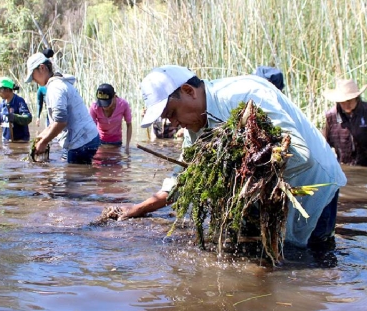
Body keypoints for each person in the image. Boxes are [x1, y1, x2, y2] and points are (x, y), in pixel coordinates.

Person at [119, 65, 347, 248]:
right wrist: (139, 209)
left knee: (311, 264)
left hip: (315, 185)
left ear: (189, 91)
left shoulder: (246, 95)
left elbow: (298, 154)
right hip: (270, 199)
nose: (174, 124)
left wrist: (230, 176)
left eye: (172, 114)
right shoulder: (196, 129)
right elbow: (183, 178)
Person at [25, 50, 100, 164]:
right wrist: (40, 137)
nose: (33, 80)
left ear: (42, 68)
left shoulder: (55, 88)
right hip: (88, 138)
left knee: (73, 179)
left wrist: (44, 142)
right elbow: (55, 122)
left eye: (33, 75)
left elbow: (61, 121)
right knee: (81, 174)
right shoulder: (57, 84)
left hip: (81, 142)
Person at [89, 83, 132, 149]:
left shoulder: (123, 105)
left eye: (106, 103)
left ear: (114, 96)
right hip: (100, 141)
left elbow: (129, 124)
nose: (104, 106)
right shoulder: (94, 107)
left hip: (116, 142)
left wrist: (127, 146)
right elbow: (91, 128)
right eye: (102, 103)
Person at [0, 77, 32, 142]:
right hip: (6, 141)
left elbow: (28, 118)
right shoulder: (1, 104)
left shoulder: (19, 101)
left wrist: (15, 117)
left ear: (7, 90)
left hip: (20, 141)